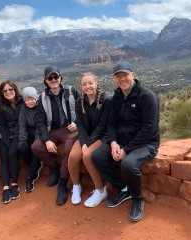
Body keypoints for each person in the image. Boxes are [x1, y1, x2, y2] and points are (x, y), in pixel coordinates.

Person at [91, 61, 160, 222]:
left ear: (133, 75)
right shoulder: (117, 97)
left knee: (128, 164)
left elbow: (149, 129)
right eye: (118, 76)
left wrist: (126, 150)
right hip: (121, 141)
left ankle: (137, 199)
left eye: (125, 75)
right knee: (96, 157)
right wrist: (114, 142)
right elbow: (112, 123)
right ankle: (123, 188)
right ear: (115, 79)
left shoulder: (147, 96)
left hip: (147, 143)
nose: (122, 79)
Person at [31, 66, 80, 206]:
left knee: (69, 148)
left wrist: (76, 122)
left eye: (55, 77)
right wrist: (46, 140)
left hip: (70, 130)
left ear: (60, 78)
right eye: (50, 78)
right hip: (52, 131)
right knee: (36, 147)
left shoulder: (72, 92)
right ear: (45, 81)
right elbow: (40, 121)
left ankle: (62, 183)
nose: (53, 80)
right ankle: (54, 168)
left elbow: (82, 111)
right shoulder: (42, 98)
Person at [68, 72, 110, 207]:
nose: (88, 86)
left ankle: (100, 190)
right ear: (81, 87)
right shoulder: (80, 101)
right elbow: (79, 124)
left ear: (96, 84)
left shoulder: (105, 100)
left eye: (90, 83)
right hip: (85, 136)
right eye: (84, 84)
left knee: (87, 155)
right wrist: (84, 141)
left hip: (101, 136)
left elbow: (102, 125)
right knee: (73, 157)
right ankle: (76, 186)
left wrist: (89, 142)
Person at [0, 80, 24, 204]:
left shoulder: (22, 101)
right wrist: (6, 142)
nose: (8, 92)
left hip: (18, 133)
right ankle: (6, 187)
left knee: (12, 154)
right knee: (4, 157)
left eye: (10, 89)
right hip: (5, 135)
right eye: (5, 91)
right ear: (2, 93)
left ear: (15, 89)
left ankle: (14, 184)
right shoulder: (0, 105)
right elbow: (2, 126)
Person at [18, 87, 43, 193]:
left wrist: (37, 139)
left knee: (35, 148)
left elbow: (41, 124)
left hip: (40, 131)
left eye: (32, 98)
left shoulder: (40, 107)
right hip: (29, 132)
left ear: (36, 98)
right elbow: (22, 123)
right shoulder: (23, 108)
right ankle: (36, 165)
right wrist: (22, 139)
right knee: (22, 148)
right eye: (27, 99)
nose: (30, 102)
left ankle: (30, 177)